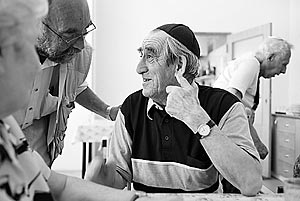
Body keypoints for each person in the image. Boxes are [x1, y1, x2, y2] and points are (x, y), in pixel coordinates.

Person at [85, 23, 263, 196]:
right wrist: (104, 178)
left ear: (179, 66)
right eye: (141, 56)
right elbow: (119, 176)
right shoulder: (131, 107)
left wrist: (197, 119)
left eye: (150, 57)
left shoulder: (224, 106)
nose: (139, 68)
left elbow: (250, 184)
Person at [12, 0, 120, 167]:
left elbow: (75, 87)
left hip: (39, 153)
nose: (80, 45)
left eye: (84, 31)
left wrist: (107, 111)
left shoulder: (79, 54)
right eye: (69, 35)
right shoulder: (6, 52)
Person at [213, 37, 292, 160]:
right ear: (271, 57)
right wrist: (256, 142)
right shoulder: (251, 63)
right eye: (283, 64)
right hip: (226, 130)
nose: (283, 71)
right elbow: (231, 103)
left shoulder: (250, 63)